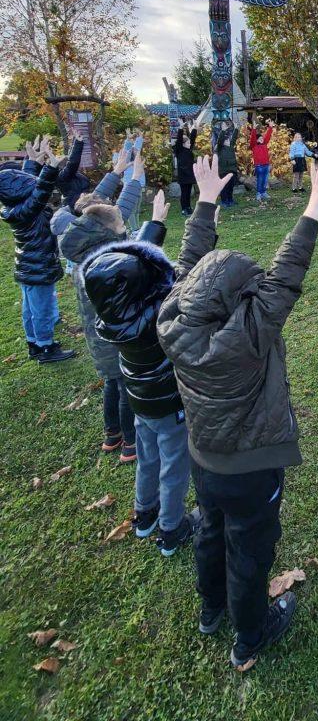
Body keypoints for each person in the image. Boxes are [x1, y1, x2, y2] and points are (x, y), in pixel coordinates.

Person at [156, 158, 318, 669]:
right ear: (238, 301)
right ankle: (250, 637)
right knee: (249, 552)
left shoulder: (172, 316)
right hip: (252, 469)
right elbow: (286, 277)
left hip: (203, 459)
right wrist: (314, 206)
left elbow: (187, 265)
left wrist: (205, 203)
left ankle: (210, 610)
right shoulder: (249, 334)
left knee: (210, 530)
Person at [83, 188, 197, 557]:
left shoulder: (111, 313)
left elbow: (129, 266)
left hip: (139, 400)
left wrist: (156, 224)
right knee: (174, 464)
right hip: (168, 404)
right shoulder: (158, 311)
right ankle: (171, 528)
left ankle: (144, 514)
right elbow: (184, 270)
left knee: (147, 458)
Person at [59, 148, 144, 461]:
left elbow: (102, 208)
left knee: (111, 381)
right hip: (117, 336)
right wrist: (134, 176)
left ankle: (112, 434)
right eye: (118, 219)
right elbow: (120, 209)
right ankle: (131, 443)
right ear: (108, 228)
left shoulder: (82, 245)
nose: (121, 218)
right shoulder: (111, 259)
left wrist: (121, 173)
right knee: (125, 386)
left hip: (97, 338)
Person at [0, 136, 77, 364]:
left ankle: (33, 343)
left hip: (28, 266)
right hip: (38, 267)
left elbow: (28, 185)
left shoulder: (14, 207)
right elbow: (40, 190)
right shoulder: (26, 210)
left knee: (30, 309)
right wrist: (51, 168)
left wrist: (32, 162)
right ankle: (46, 348)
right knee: (41, 310)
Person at [114, 129, 145, 232]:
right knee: (131, 210)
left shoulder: (136, 160)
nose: (137, 150)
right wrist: (128, 138)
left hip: (138, 187)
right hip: (130, 188)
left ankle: (137, 228)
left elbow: (138, 147)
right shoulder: (127, 161)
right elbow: (127, 148)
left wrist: (140, 136)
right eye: (134, 150)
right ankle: (134, 229)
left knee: (137, 210)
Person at [175, 120, 198, 216]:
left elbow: (192, 138)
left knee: (188, 193)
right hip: (183, 176)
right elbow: (179, 140)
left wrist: (195, 128)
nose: (190, 144)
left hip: (189, 175)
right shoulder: (179, 150)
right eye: (188, 143)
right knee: (184, 193)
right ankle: (184, 209)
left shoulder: (189, 150)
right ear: (183, 144)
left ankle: (188, 207)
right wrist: (180, 128)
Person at [215, 121, 239, 208]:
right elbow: (220, 140)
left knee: (230, 186)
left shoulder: (231, 146)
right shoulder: (220, 148)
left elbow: (234, 138)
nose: (229, 140)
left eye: (229, 139)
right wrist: (223, 130)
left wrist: (236, 128)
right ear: (224, 142)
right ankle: (224, 201)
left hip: (232, 170)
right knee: (224, 187)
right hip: (223, 171)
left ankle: (230, 200)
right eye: (227, 140)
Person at [250, 120, 274, 203]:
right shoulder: (254, 145)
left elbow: (268, 136)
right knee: (260, 180)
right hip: (259, 166)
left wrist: (270, 127)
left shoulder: (264, 144)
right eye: (259, 138)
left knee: (265, 180)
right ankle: (259, 193)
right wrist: (253, 129)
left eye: (262, 138)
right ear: (256, 140)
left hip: (266, 165)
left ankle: (263, 192)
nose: (261, 139)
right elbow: (252, 138)